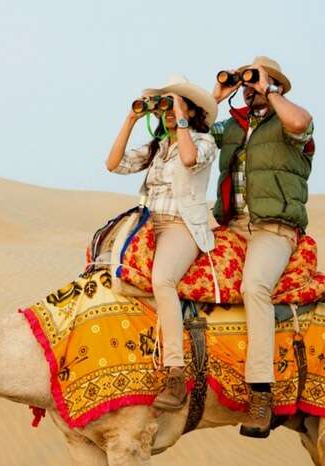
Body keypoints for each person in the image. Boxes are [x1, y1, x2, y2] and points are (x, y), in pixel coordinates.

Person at [211, 56, 314, 437]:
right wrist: (218, 95)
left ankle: (261, 392)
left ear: (276, 85)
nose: (249, 87)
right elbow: (198, 132)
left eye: (257, 80)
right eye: (247, 81)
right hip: (233, 226)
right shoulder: (233, 126)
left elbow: (300, 123)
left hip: (274, 228)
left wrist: (269, 89)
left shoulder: (290, 124)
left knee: (254, 286)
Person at [106, 75, 218, 411]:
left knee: (162, 280)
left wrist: (180, 116)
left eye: (174, 103)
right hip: (147, 224)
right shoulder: (157, 147)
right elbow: (113, 164)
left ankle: (175, 371)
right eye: (164, 105)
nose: (167, 111)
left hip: (181, 225)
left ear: (191, 109)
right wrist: (131, 118)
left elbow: (189, 160)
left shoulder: (203, 141)